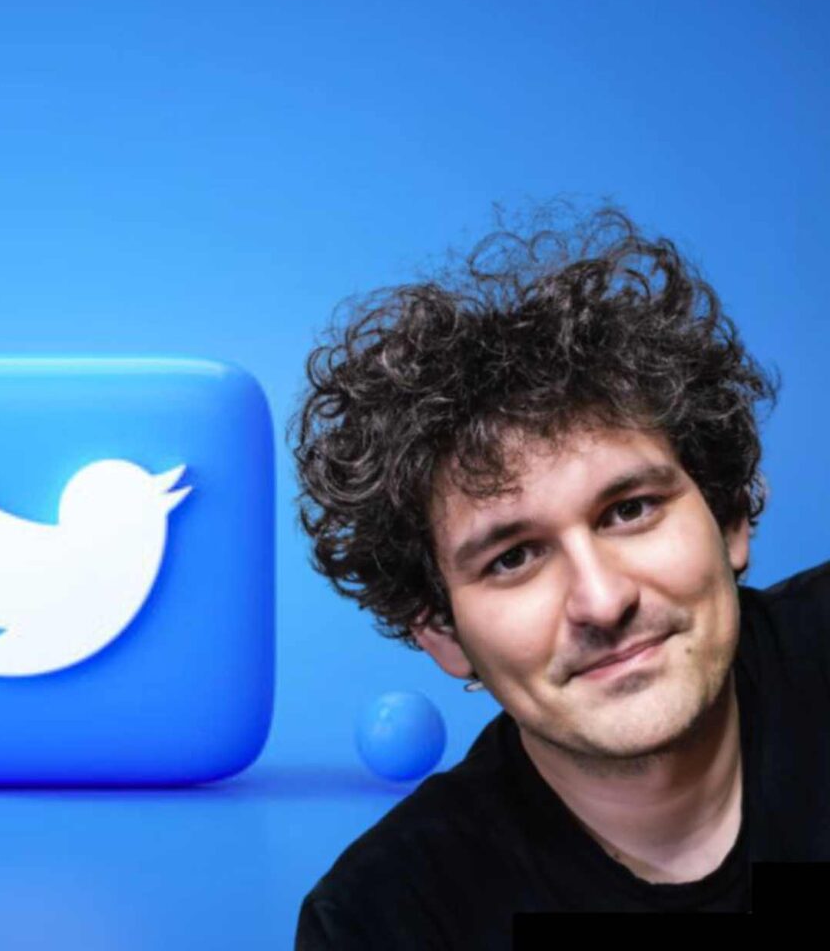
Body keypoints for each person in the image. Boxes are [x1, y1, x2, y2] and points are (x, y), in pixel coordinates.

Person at [290, 208, 828, 947]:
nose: (602, 601)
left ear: (730, 516)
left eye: (630, 511)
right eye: (513, 558)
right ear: (443, 633)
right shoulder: (392, 920)